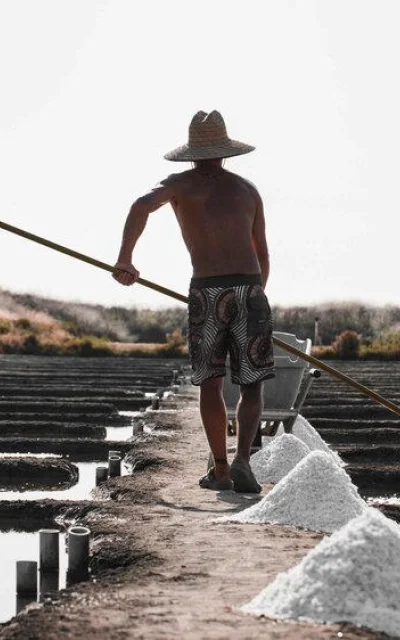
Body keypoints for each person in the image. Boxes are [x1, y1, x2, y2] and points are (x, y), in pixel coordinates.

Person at [113, 110, 274, 493]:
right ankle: (243, 463)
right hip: (249, 288)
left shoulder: (178, 185)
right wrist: (254, 297)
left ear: (192, 152)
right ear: (224, 152)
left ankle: (220, 471)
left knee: (211, 384)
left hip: (207, 290)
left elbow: (140, 205)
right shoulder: (247, 189)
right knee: (252, 386)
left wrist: (125, 259)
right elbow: (262, 254)